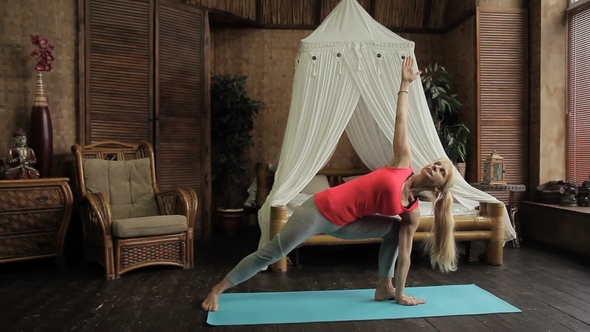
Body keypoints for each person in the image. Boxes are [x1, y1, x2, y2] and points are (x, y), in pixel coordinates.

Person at [202, 56, 458, 311]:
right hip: (319, 210)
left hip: (345, 224)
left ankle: (384, 287)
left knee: (394, 230)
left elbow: (405, 255)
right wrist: (405, 84)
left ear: (438, 188)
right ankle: (217, 289)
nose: (435, 166)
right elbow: (401, 120)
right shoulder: (402, 163)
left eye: (442, 171)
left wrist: (401, 295)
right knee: (272, 253)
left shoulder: (411, 214)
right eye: (437, 163)